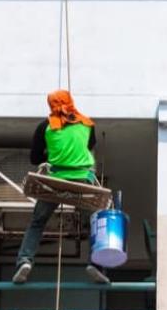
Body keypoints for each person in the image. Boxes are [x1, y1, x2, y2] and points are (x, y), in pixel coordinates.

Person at [13, 89, 110, 285]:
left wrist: (52, 154)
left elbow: (34, 158)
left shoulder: (44, 127)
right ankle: (95, 264)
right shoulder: (86, 123)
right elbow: (89, 146)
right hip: (83, 180)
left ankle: (25, 261)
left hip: (55, 181)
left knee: (38, 222)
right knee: (94, 223)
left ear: (51, 105)